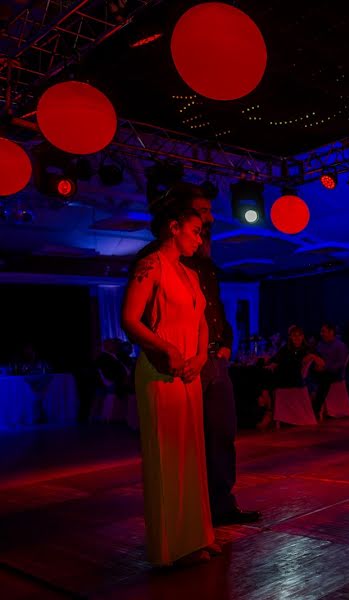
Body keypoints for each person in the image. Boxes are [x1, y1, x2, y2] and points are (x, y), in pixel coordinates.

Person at [135, 183, 260, 527]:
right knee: (184, 443)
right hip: (178, 362)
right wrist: (167, 350)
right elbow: (137, 318)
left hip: (210, 359)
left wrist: (224, 342)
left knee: (221, 433)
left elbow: (212, 310)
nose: (208, 220)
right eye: (201, 213)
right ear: (178, 220)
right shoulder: (156, 261)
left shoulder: (200, 264)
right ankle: (188, 516)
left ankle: (218, 506)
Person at [121, 200, 218, 567]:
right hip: (160, 372)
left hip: (188, 372)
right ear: (173, 227)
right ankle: (168, 548)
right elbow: (130, 319)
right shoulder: (151, 265)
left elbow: (202, 322)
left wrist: (200, 357)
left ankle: (196, 536)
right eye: (195, 230)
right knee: (166, 460)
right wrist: (168, 348)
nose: (200, 238)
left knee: (192, 456)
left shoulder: (190, 274)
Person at [309, 323, 349, 418]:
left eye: (324, 331)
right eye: (321, 331)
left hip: (334, 373)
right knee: (306, 375)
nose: (321, 333)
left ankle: (315, 408)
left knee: (325, 380)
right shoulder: (320, 344)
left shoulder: (340, 345)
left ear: (331, 332)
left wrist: (325, 367)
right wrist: (316, 366)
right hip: (321, 371)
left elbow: (340, 364)